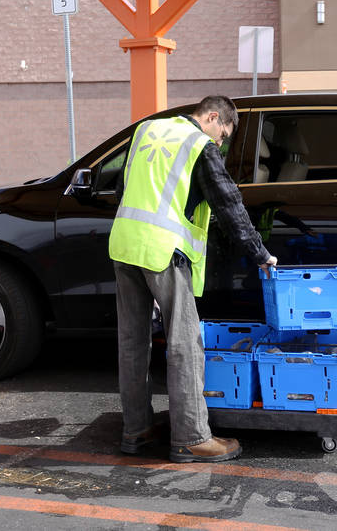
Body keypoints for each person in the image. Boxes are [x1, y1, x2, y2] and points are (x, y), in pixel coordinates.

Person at [109, 95, 277, 463]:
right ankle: (191, 436)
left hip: (124, 244)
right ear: (213, 117)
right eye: (224, 135)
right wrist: (259, 254)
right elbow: (228, 203)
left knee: (132, 343)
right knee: (186, 343)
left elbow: (123, 189)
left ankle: (135, 430)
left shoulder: (145, 129)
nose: (221, 142)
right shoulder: (198, 144)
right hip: (162, 251)